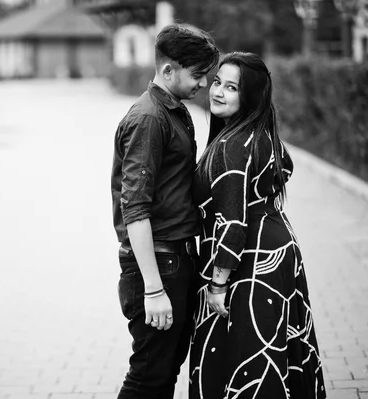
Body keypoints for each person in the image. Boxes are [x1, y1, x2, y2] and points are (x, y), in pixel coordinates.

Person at [188, 52, 326, 399]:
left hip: (249, 264)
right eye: (217, 82)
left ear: (248, 96)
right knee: (278, 356)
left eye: (231, 87)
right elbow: (286, 165)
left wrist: (217, 284)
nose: (217, 91)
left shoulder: (230, 148)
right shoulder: (258, 134)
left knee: (248, 365)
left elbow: (233, 222)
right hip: (279, 252)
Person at [111, 24, 219, 399]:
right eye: (198, 75)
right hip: (158, 267)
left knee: (163, 375)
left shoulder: (173, 111)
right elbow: (135, 209)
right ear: (169, 69)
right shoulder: (149, 118)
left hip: (174, 262)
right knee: (148, 378)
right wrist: (154, 289)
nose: (204, 84)